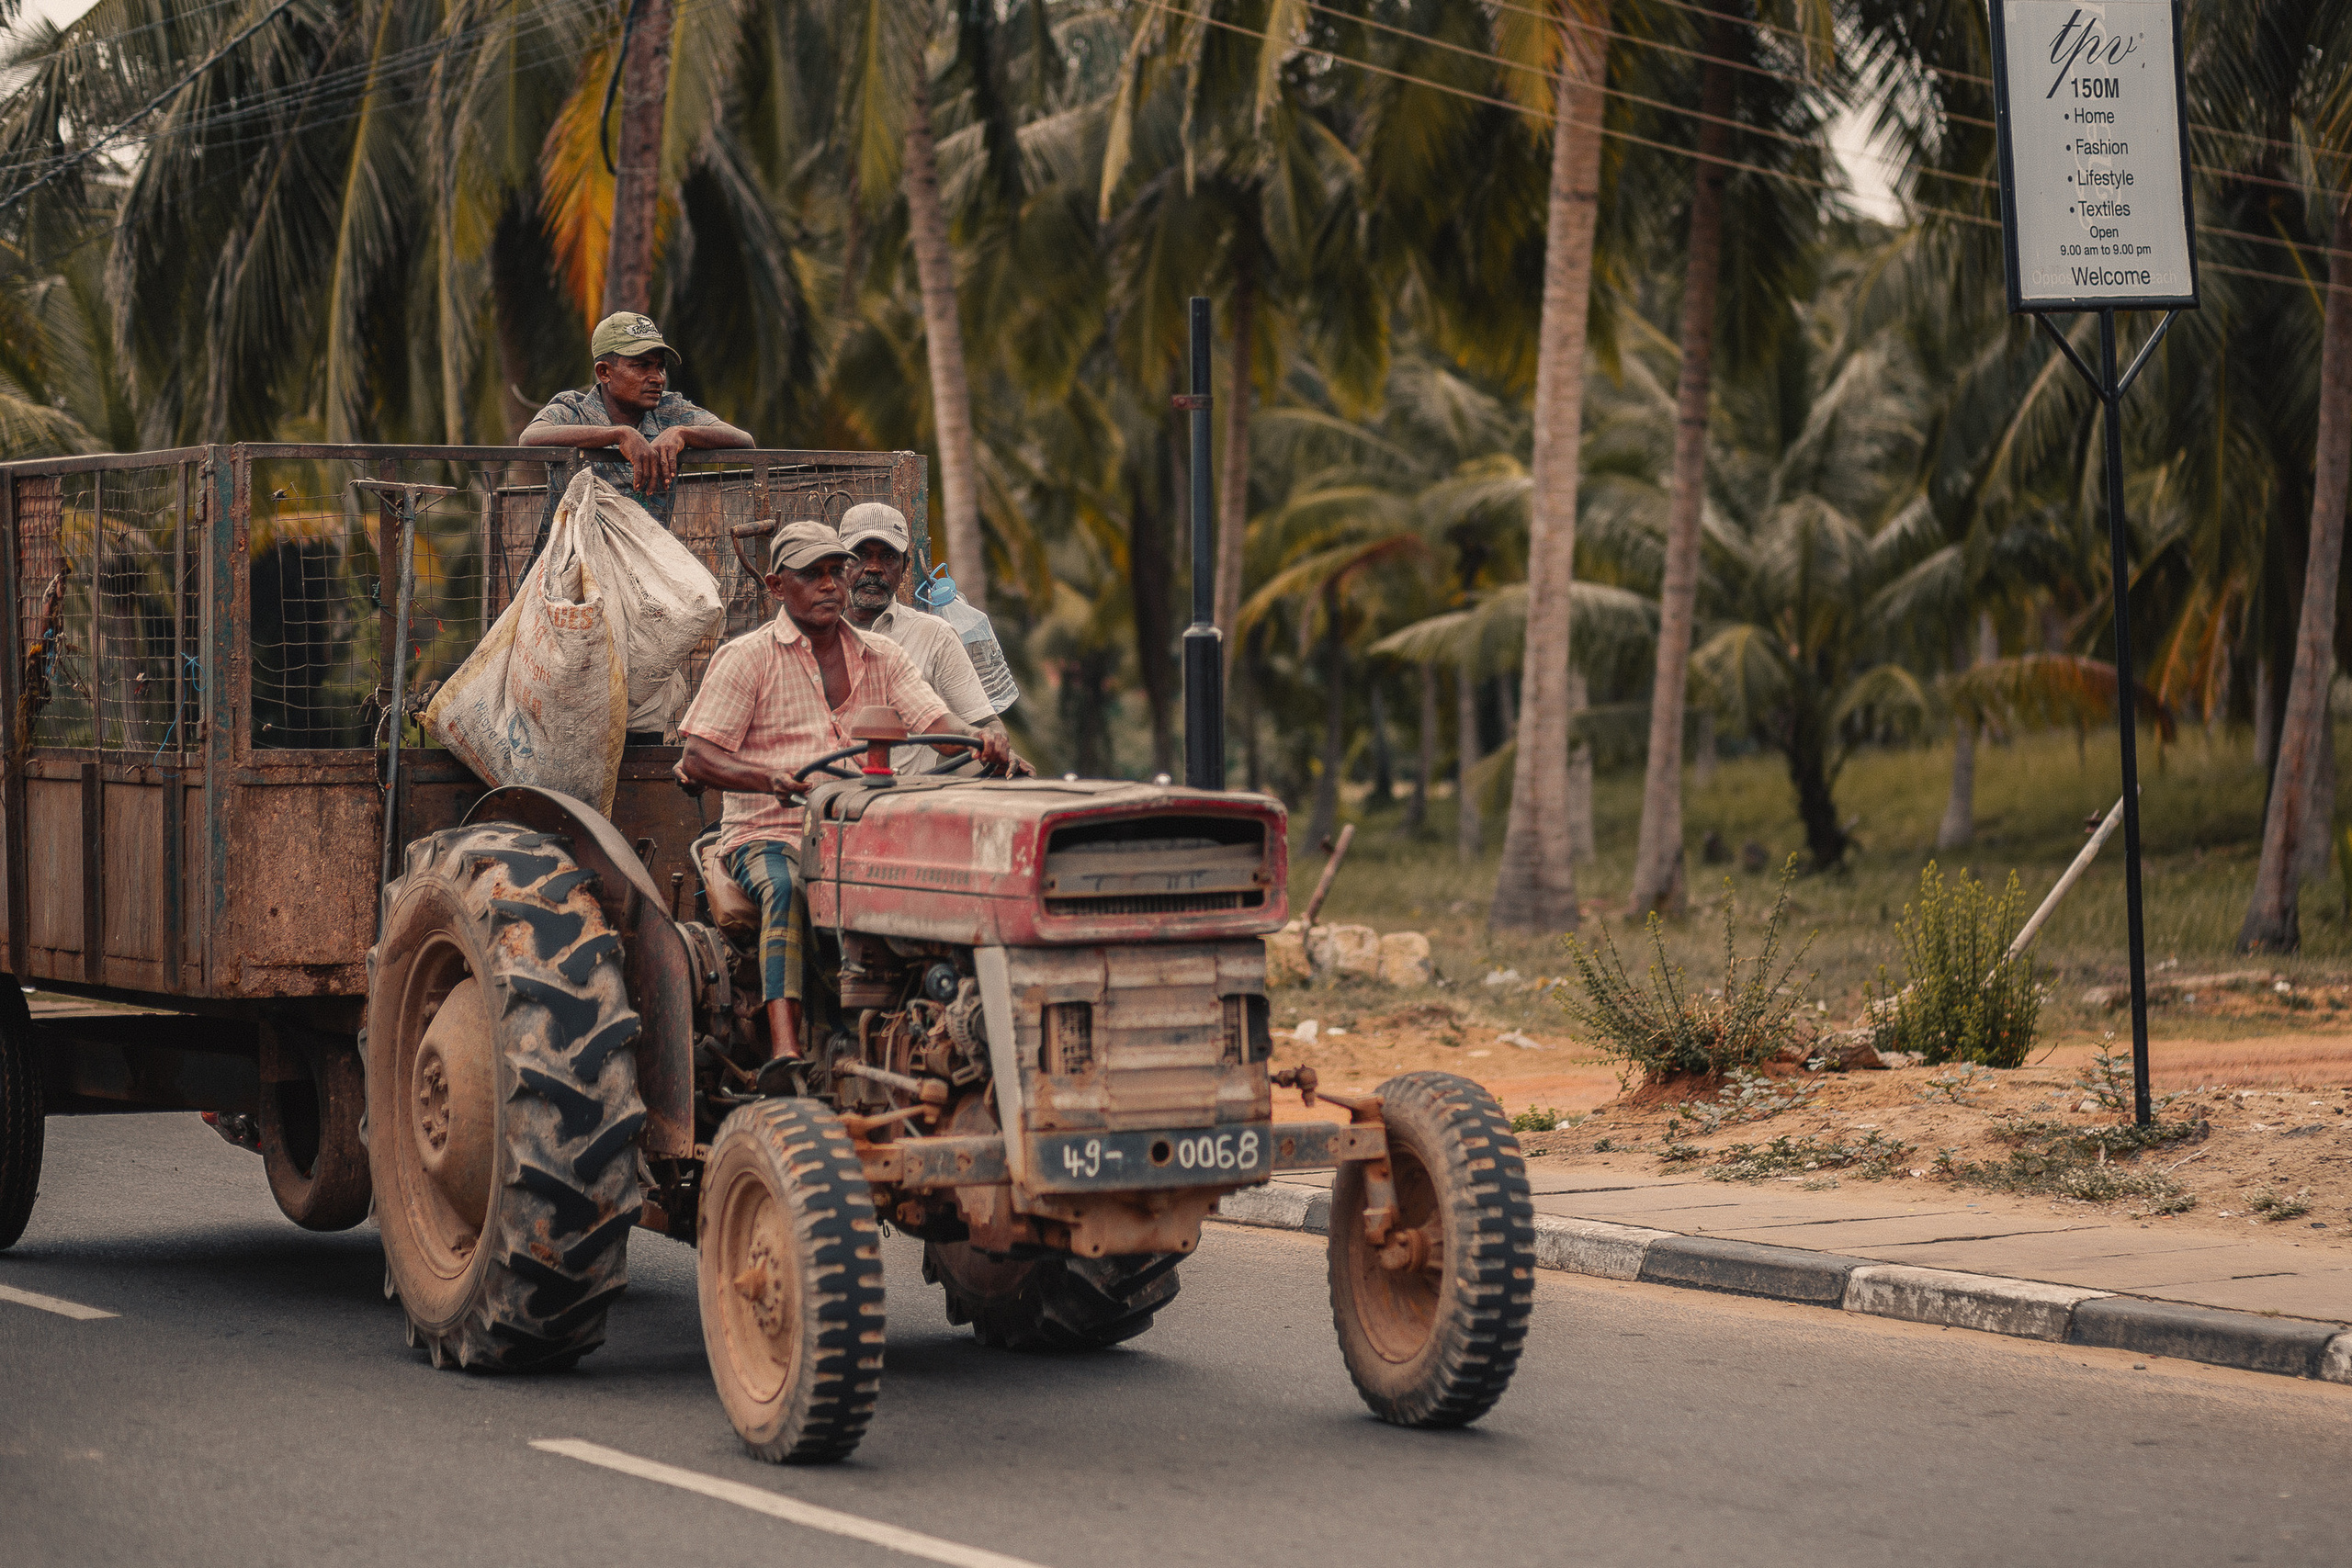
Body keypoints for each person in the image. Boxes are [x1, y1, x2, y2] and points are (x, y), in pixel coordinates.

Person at [675, 522, 1010, 1080]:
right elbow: (697, 759)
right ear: (778, 586)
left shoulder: (885, 657)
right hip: (769, 832)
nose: (831, 585)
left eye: (836, 571)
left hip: (858, 831)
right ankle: (787, 1048)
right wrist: (768, 779)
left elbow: (936, 722)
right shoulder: (746, 659)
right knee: (787, 887)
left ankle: (922, 1026)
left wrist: (984, 740)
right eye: (814, 575)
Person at [836, 502, 1024, 776]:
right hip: (824, 799)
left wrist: (995, 742)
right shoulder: (819, 635)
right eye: (860, 555)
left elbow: (986, 724)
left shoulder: (933, 635)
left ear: (904, 568)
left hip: (907, 802)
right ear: (839, 563)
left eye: (888, 557)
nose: (874, 568)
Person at [519, 311, 753, 525]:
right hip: (572, 561)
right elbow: (529, 438)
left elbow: (743, 440)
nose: (657, 378)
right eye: (642, 366)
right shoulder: (573, 409)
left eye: (660, 367)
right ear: (604, 372)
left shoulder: (670, 410)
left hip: (646, 562)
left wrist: (682, 433)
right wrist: (620, 434)